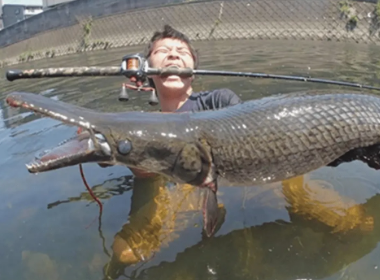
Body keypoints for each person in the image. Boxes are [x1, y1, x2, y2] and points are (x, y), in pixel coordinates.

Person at [102, 25, 242, 177]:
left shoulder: (220, 101)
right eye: (162, 51)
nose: (173, 55)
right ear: (147, 69)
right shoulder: (143, 126)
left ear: (193, 70)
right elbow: (147, 174)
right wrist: (113, 147)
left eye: (182, 52)